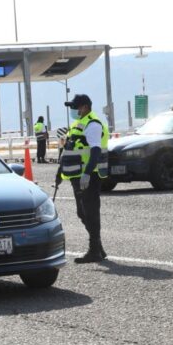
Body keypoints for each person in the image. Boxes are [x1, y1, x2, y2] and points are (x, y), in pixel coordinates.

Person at [57, 94, 109, 263]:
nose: (73, 110)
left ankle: (94, 250)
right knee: (82, 212)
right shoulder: (78, 124)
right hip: (76, 174)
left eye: (75, 107)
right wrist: (59, 172)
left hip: (89, 175)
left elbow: (95, 151)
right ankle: (98, 247)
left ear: (85, 107)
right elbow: (69, 149)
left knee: (90, 212)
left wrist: (87, 173)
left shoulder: (93, 124)